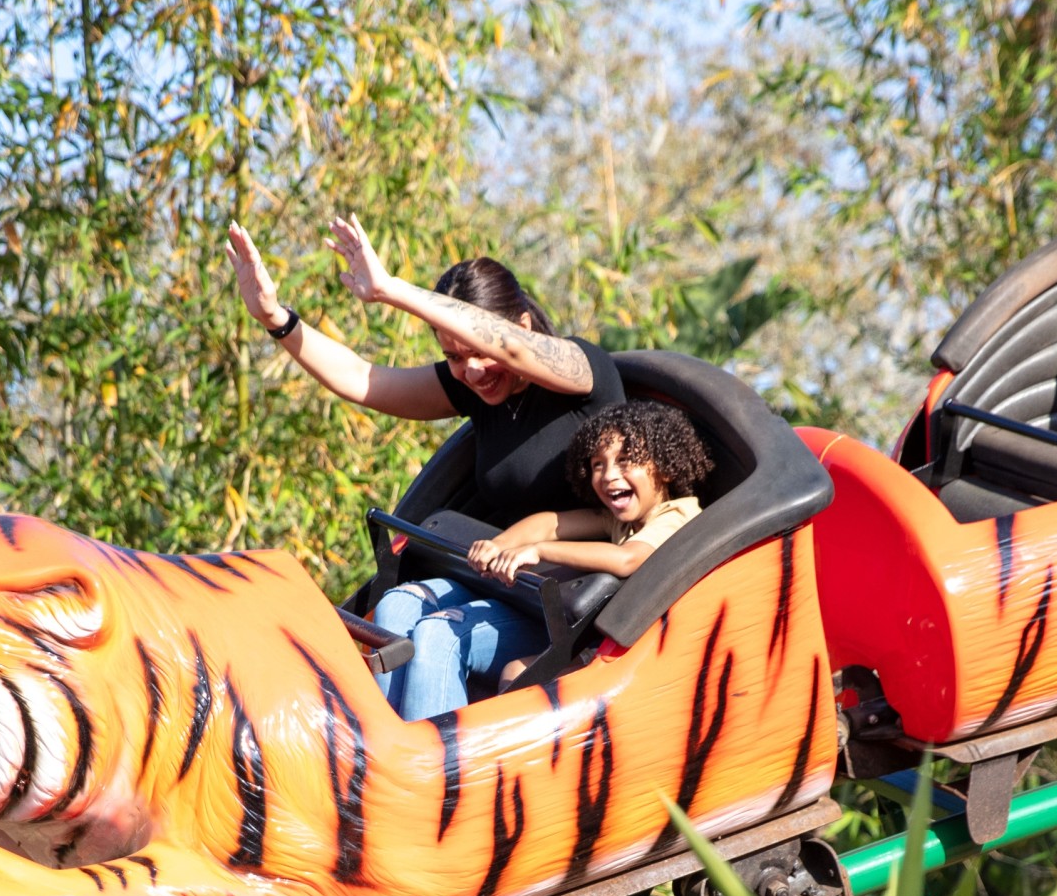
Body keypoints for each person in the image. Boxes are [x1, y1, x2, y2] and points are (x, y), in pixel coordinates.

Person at [224, 215, 624, 719]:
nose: (472, 371)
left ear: (520, 323)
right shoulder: (479, 390)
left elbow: (512, 350)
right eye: (453, 358)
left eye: (478, 352)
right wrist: (276, 318)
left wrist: (390, 289)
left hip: (572, 600)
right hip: (500, 578)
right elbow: (359, 378)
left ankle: (436, 788)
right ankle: (382, 763)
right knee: (393, 609)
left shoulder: (581, 370)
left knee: (436, 636)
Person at [470, 400, 716, 687]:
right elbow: (549, 524)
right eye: (598, 464)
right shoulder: (621, 520)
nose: (609, 474)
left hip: (658, 652)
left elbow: (627, 559)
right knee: (517, 671)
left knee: (522, 675)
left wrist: (538, 551)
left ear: (665, 468)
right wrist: (498, 544)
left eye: (625, 460)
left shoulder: (678, 513)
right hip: (618, 642)